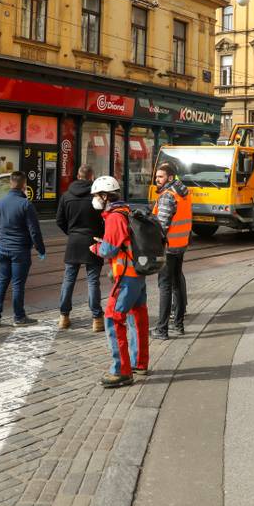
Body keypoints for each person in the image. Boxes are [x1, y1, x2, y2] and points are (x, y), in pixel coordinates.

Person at [89, 176, 149, 388]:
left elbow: (109, 250)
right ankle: (139, 363)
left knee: (113, 318)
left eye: (96, 196)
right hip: (137, 274)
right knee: (138, 315)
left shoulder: (114, 217)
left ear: (105, 196)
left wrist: (96, 248)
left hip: (126, 277)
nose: (95, 200)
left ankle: (121, 370)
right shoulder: (127, 211)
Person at [0, 170, 45, 328]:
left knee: (1, 282)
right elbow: (34, 230)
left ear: (10, 183)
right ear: (24, 185)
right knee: (17, 285)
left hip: (4, 248)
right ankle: (19, 317)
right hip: (20, 250)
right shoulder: (26, 204)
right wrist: (40, 249)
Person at [56, 164, 104, 331]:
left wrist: (71, 233)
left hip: (74, 241)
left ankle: (64, 317)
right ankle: (97, 319)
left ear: (77, 175)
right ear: (92, 177)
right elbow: (104, 219)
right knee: (93, 280)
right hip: (93, 241)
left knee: (69, 279)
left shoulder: (66, 195)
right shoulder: (97, 197)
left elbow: (59, 220)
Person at [150, 163, 192, 341]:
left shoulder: (168, 196)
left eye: (160, 177)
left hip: (168, 247)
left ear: (169, 177)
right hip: (181, 244)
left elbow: (162, 225)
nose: (156, 180)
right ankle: (179, 324)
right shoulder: (184, 192)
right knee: (178, 282)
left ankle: (162, 329)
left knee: (165, 286)